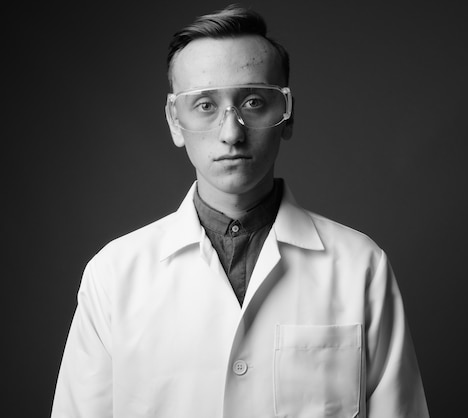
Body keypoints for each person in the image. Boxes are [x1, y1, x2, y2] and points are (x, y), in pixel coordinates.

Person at [51, 5, 429, 417]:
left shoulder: (360, 267)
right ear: (175, 121)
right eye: (205, 105)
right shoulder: (113, 275)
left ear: (286, 114)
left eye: (253, 101)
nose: (231, 133)